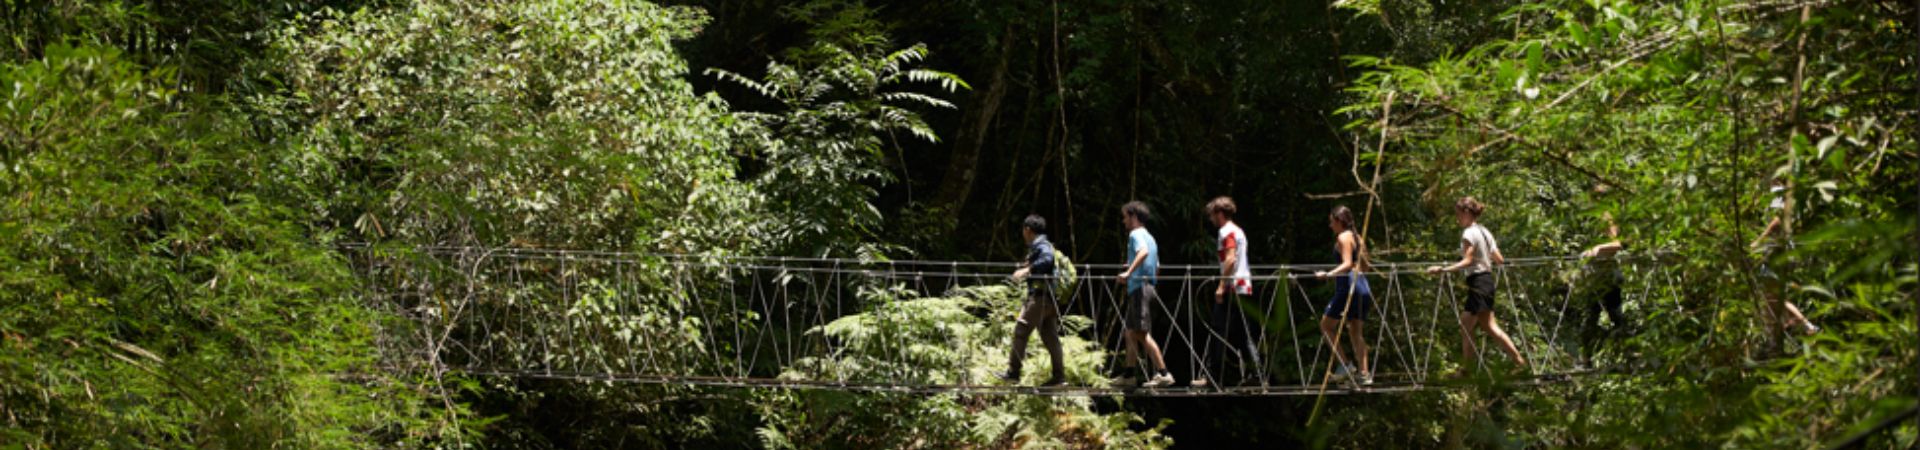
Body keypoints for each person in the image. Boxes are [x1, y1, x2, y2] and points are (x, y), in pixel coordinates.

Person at [1427, 197, 1528, 373]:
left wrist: (1443, 269)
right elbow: (1499, 259)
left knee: (1487, 326)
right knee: (1469, 324)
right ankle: (1472, 367)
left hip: (1478, 282)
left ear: (1466, 213)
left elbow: (1468, 260)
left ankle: (1514, 362)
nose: (1457, 218)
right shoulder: (1485, 232)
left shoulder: (1468, 233)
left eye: (1458, 214)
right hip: (1486, 280)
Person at [1195, 197, 1261, 388]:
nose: (1211, 219)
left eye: (1212, 215)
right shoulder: (1238, 230)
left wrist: (1221, 286)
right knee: (1243, 333)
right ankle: (1255, 374)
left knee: (1217, 330)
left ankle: (1213, 377)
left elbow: (1230, 259)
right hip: (1243, 286)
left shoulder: (1226, 231)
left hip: (1232, 287)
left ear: (1220, 214)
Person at [1000, 214, 1068, 386]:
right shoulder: (1044, 245)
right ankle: (1059, 377)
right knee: (1050, 336)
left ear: (1028, 230)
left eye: (1023, 230)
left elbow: (1047, 260)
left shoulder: (1042, 246)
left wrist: (1028, 270)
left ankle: (1013, 372)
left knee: (1021, 331)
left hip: (1040, 297)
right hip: (1050, 298)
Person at [1114, 201, 1174, 388]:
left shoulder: (1136, 234)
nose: (1124, 221)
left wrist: (1129, 273)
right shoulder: (1150, 236)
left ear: (1133, 216)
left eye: (1125, 217)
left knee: (1140, 333)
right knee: (1130, 332)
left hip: (1140, 289)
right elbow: (1156, 266)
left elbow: (1144, 252)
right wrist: (1139, 271)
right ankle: (1129, 374)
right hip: (1147, 288)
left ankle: (1163, 373)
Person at [1749, 177, 1819, 336]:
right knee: (1772, 298)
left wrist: (1759, 241)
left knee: (1774, 297)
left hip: (1776, 256)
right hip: (1781, 254)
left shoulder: (1779, 195)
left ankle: (1805, 325)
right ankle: (1788, 326)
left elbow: (1777, 221)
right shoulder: (1790, 198)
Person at [1315, 206, 1374, 386]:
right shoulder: (1358, 238)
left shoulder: (1343, 237)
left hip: (1348, 286)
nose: (1330, 225)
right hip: (1363, 286)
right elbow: (1365, 267)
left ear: (1339, 221)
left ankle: (1345, 365)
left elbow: (1347, 264)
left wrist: (1328, 274)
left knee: (1326, 326)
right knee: (1355, 331)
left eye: (1331, 221)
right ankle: (1364, 374)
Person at [1575, 205, 1630, 367]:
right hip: (1596, 278)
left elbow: (1619, 244)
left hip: (1607, 279)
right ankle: (1586, 359)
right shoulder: (1593, 220)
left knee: (1615, 317)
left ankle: (1629, 356)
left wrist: (1597, 249)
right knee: (1591, 319)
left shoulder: (1606, 217)